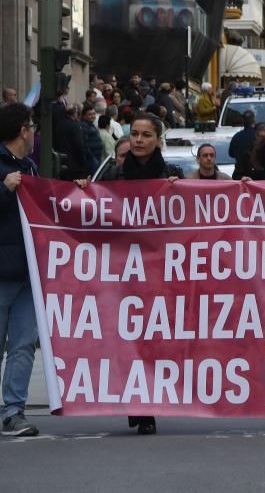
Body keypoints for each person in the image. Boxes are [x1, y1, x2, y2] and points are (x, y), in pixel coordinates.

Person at [81, 112, 183, 435]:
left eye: (145, 135)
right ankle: (135, 402)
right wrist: (84, 190)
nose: (138, 140)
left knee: (153, 339)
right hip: (123, 270)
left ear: (158, 140)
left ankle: (148, 404)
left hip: (160, 269)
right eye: (134, 134)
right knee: (127, 337)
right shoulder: (113, 174)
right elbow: (93, 212)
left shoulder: (174, 175)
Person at [0, 103, 39, 436]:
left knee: (22, 345)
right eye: (31, 127)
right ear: (23, 130)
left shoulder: (30, 166)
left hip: (28, 271)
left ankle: (14, 409)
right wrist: (3, 188)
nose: (33, 134)